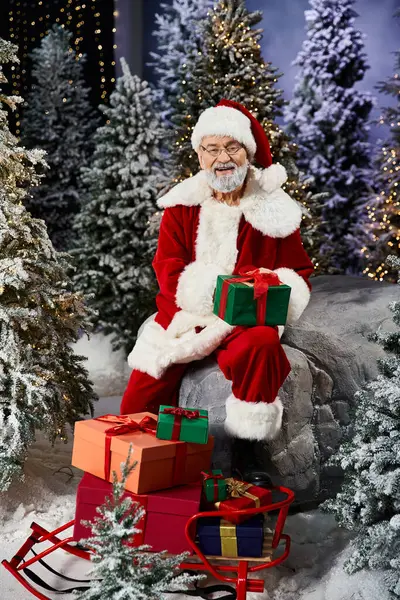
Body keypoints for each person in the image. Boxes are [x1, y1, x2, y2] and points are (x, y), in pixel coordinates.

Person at [121, 99, 314, 448]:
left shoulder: (274, 209)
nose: (222, 158)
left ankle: (249, 452)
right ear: (199, 155)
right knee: (141, 392)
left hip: (244, 319)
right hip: (187, 315)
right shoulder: (181, 207)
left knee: (262, 346)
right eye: (212, 149)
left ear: (247, 153)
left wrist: (268, 289)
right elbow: (168, 271)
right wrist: (201, 303)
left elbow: (296, 270)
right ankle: (133, 466)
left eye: (231, 147)